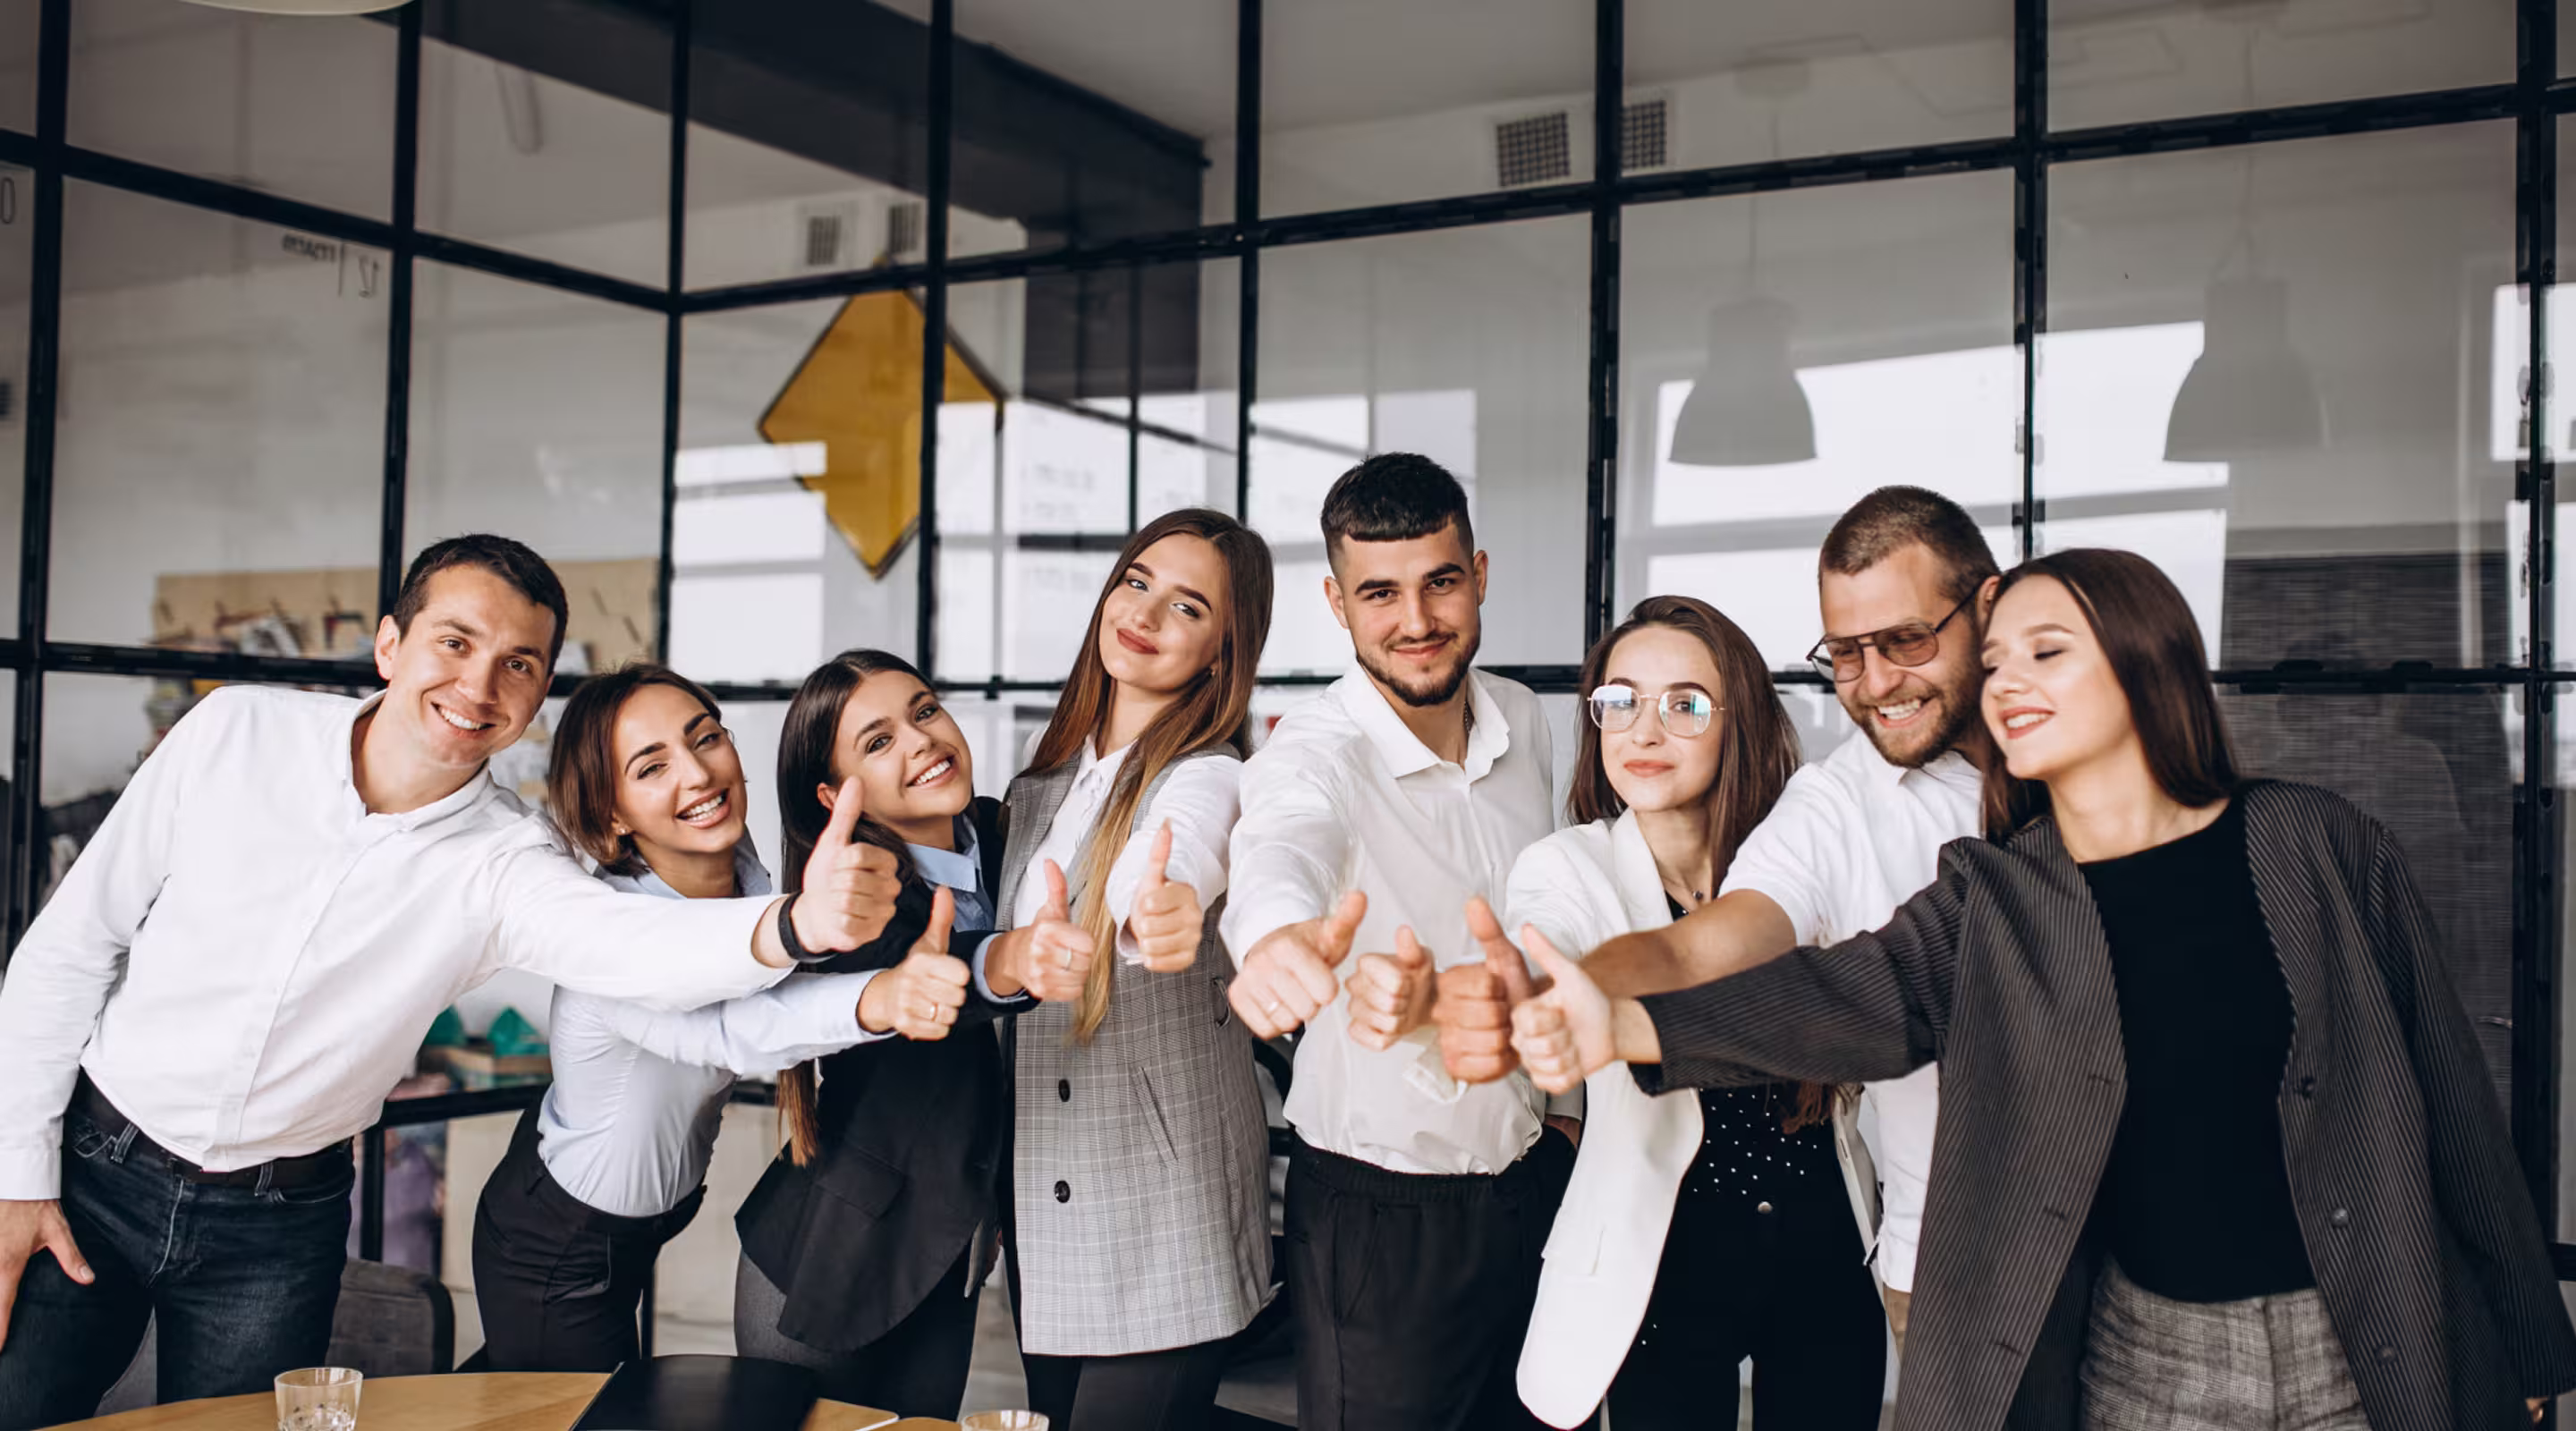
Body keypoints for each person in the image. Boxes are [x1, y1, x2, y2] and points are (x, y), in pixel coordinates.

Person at [1509, 548, 2576, 1431]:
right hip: (2145, 1357)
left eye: (2046, 653)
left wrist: (2529, 1334)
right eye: (2000, 659)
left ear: (2147, 662)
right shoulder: (1997, 891)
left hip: (2364, 1324)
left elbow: (2451, 1094)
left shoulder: (2316, 844)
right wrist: (1625, 1018)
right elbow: (1842, 995)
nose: (2006, 680)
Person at [0, 536, 902, 1429]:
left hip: (278, 1228)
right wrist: (15, 1175)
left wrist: (796, 925)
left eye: (518, 664)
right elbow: (70, 948)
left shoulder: (511, 859)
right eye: (456, 643)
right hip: (92, 1172)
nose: (479, 687)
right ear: (390, 645)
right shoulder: (235, 730)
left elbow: (630, 944)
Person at [1440, 483, 1999, 1347]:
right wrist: (1565, 992)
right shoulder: (1830, 810)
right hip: (1702, 1260)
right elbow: (1705, 946)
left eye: (1906, 639)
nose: (1877, 679)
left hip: (1835, 1235)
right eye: (1846, 653)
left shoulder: (2055, 759)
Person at [471, 663, 952, 1373]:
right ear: (611, 813)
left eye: (705, 738)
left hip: (634, 1226)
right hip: (560, 1244)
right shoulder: (608, 941)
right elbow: (731, 1032)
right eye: (651, 766)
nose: (697, 774)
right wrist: (879, 996)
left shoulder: (740, 871)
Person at [1221, 453, 1568, 1431]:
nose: (1416, 621)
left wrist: (1566, 1116)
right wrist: (1275, 937)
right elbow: (1282, 838)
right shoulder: (1314, 750)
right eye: (1381, 593)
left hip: (1530, 1178)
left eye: (1440, 582)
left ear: (1481, 573)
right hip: (1381, 1214)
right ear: (1337, 603)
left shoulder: (1525, 718)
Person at [1495, 597, 1885, 1430]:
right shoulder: (1568, 867)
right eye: (1620, 701)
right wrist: (1526, 995)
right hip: (1664, 1260)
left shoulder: (1804, 858)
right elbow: (1548, 949)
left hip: (1822, 1244)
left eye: (1684, 704)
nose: (1644, 730)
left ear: (1736, 719)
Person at [732, 649, 1086, 1419]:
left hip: (948, 1252)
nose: (921, 740)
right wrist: (1012, 959)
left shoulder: (1001, 837)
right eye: (878, 741)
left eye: (924, 711)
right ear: (834, 797)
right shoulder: (857, 904)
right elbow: (947, 976)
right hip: (832, 1256)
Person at [992, 508, 1275, 1431]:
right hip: (1045, 1196)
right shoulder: (1038, 789)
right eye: (1136, 581)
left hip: (1163, 1206)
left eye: (1187, 606)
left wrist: (1157, 909)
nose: (1146, 613)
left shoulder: (1213, 775)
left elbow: (1181, 851)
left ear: (1223, 651)